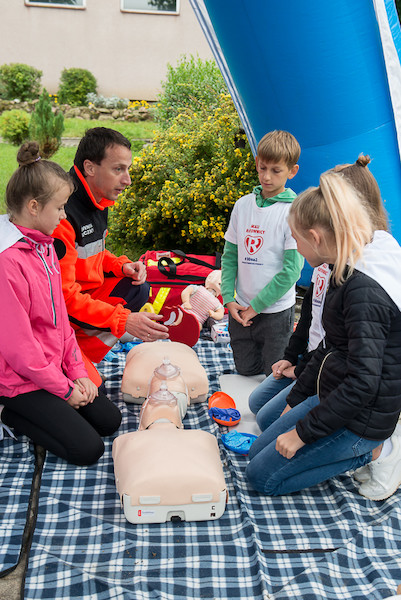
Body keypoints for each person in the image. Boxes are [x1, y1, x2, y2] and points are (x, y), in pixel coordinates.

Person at [246, 170, 401, 500]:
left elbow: (363, 384)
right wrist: (295, 399)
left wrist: (302, 433)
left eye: (296, 240)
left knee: (261, 477)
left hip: (363, 417)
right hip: (337, 393)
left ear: (315, 237)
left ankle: (374, 451)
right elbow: (328, 346)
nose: (296, 248)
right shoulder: (339, 265)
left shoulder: (362, 291)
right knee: (260, 445)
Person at [0, 142, 122, 465]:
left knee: (110, 421)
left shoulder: (46, 247)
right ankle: (8, 414)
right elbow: (20, 351)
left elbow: (61, 322)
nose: (65, 215)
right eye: (60, 207)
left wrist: (77, 372)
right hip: (18, 380)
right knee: (88, 450)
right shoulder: (7, 263)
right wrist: (65, 391)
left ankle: (54, 404)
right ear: (34, 207)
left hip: (51, 367)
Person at [249, 155, 389, 432]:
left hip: (333, 374)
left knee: (268, 422)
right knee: (258, 405)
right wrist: (292, 358)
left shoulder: (360, 276)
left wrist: (302, 379)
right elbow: (312, 317)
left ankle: (379, 452)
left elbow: (353, 363)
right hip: (315, 362)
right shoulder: (327, 259)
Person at [52, 127, 168, 364]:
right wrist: (122, 320)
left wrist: (120, 265)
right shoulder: (61, 212)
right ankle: (71, 360)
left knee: (137, 287)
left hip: (82, 296)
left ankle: (83, 357)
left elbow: (91, 252)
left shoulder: (95, 195)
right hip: (61, 312)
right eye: (118, 169)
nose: (128, 180)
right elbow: (62, 298)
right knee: (92, 392)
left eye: (127, 169)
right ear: (90, 167)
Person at [221, 130, 304, 376]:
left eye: (276, 171)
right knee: (245, 371)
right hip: (242, 308)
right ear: (256, 163)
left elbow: (291, 272)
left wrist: (256, 307)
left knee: (273, 376)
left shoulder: (294, 212)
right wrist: (228, 298)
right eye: (262, 168)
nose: (266, 177)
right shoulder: (243, 205)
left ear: (292, 171)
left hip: (276, 312)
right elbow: (230, 256)